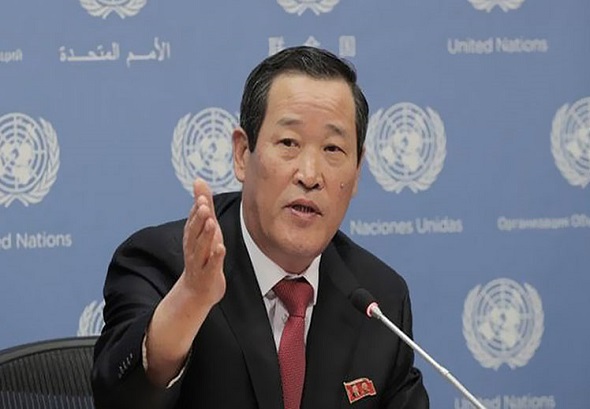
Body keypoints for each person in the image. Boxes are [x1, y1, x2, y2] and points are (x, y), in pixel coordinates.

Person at [91, 46, 429, 409]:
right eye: (288, 143)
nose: (310, 175)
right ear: (242, 153)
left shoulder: (380, 299)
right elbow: (121, 399)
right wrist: (190, 298)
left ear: (358, 170)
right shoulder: (163, 265)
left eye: (333, 149)